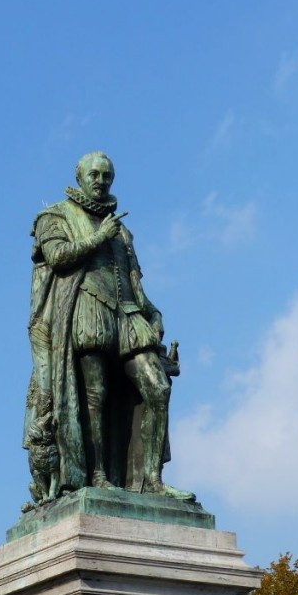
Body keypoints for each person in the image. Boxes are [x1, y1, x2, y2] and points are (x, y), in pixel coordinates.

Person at [24, 151, 192, 502]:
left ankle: (152, 480)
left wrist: (154, 313)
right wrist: (100, 236)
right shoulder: (54, 216)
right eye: (95, 175)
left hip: (128, 314)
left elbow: (135, 282)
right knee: (94, 396)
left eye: (107, 176)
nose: (101, 181)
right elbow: (57, 258)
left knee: (157, 388)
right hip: (86, 306)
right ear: (80, 176)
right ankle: (97, 474)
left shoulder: (122, 231)